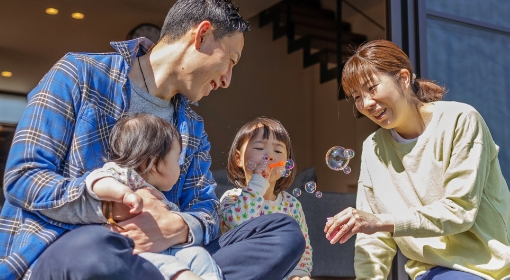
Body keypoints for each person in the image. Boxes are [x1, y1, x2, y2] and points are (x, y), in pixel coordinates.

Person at [0, 1, 305, 279]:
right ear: (201, 36)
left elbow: (207, 209)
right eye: (231, 61)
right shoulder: (79, 74)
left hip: (169, 255)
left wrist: (175, 228)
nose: (227, 80)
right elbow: (23, 177)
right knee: (95, 250)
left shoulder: (193, 127)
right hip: (75, 246)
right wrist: (108, 207)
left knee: (284, 232)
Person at [324, 39, 510, 279]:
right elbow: (373, 241)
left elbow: (459, 211)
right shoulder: (372, 148)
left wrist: (382, 221)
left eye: (372, 88)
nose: (367, 103)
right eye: (356, 97)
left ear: (403, 78)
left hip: (488, 268)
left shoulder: (461, 120)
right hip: (430, 271)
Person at [86, 113, 221, 280]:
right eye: (177, 159)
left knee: (198, 255)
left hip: (169, 247)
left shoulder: (158, 194)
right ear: (154, 163)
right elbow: (95, 179)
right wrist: (124, 194)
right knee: (167, 267)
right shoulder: (125, 176)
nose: (180, 167)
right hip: (132, 251)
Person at [219, 117, 313, 280]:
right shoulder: (232, 198)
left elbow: (302, 247)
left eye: (278, 151)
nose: (269, 156)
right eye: (260, 147)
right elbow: (238, 224)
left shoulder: (292, 205)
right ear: (238, 159)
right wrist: (257, 184)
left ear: (286, 164)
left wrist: (299, 275)